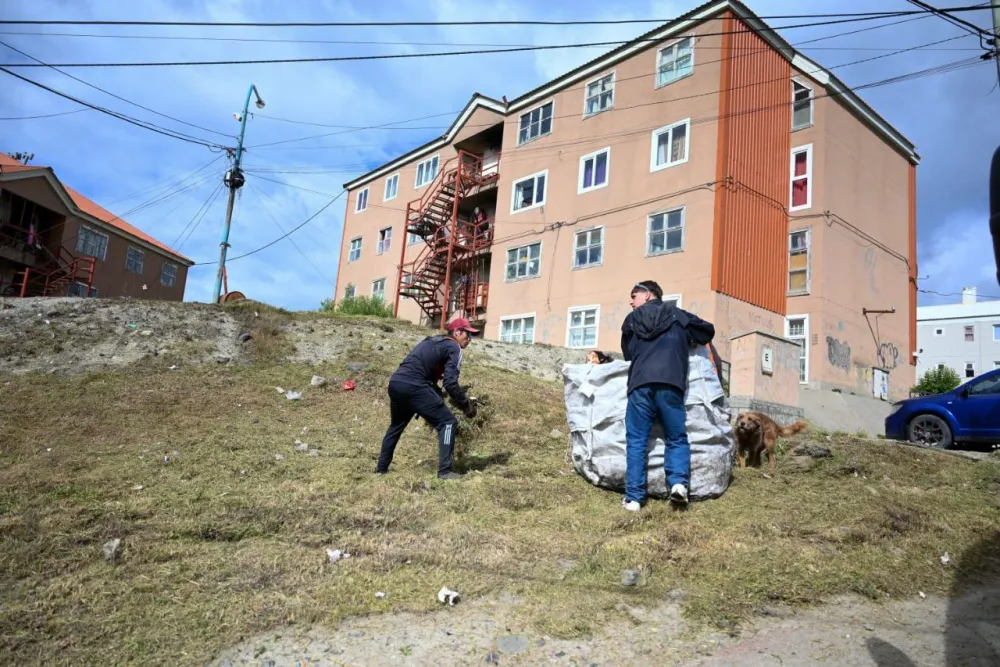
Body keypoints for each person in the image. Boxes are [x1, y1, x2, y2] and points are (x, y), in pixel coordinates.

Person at [620, 280, 715, 510]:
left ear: (649, 294)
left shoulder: (631, 320)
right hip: (671, 383)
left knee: (636, 440)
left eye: (635, 295)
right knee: (676, 437)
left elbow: (628, 353)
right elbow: (706, 331)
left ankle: (634, 498)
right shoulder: (678, 315)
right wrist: (685, 337)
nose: (631, 301)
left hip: (640, 385)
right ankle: (678, 484)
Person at [376, 317, 479, 480]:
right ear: (457, 333)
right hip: (415, 386)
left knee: (396, 426)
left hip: (396, 383)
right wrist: (466, 406)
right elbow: (451, 383)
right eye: (468, 335)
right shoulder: (454, 347)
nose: (470, 340)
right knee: (448, 423)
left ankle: (381, 469)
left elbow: (424, 370)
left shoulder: (431, 341)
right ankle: (445, 471)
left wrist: (436, 393)